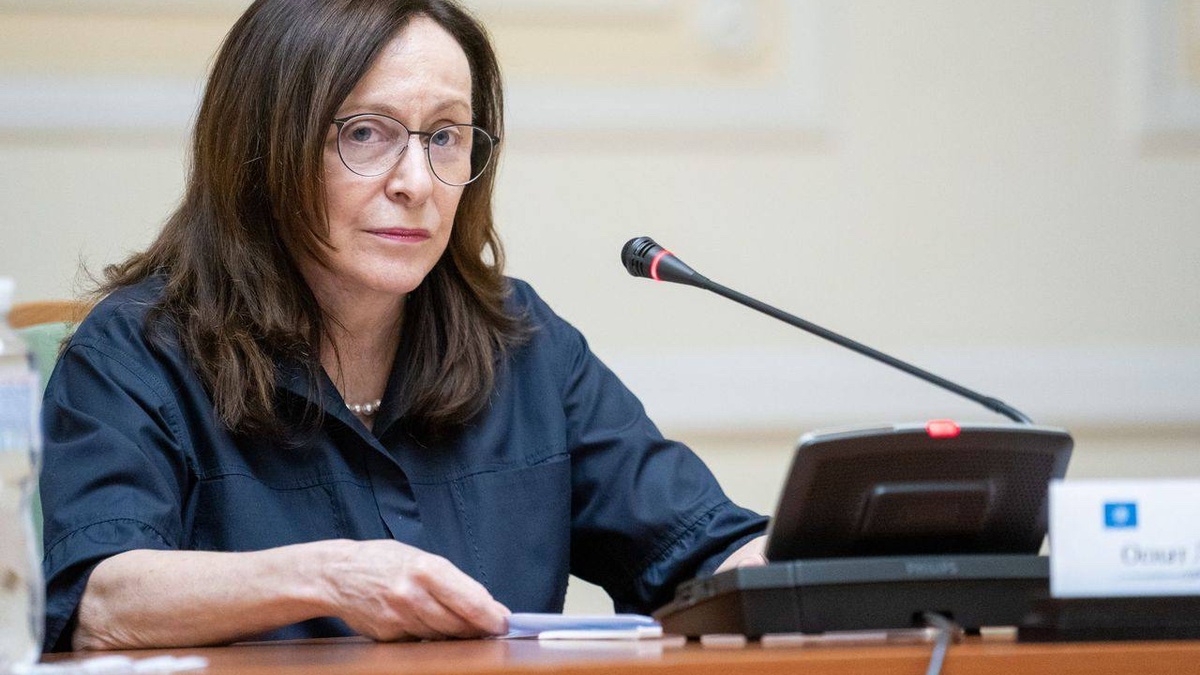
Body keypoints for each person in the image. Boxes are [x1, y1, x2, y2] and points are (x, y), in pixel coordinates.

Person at [39, 0, 767, 652]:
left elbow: (701, 549)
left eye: (445, 136)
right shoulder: (136, 353)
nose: (416, 182)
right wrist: (327, 576)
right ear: (263, 151)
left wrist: (803, 557)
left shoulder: (522, 342)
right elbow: (100, 602)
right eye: (365, 132)